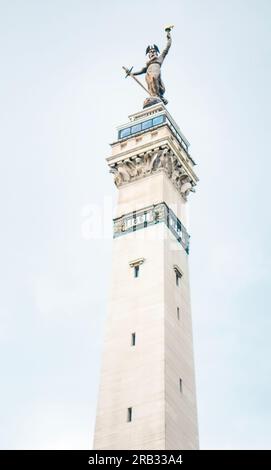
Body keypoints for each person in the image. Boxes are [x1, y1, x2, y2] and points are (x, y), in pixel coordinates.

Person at [132, 30, 172, 105]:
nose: (152, 53)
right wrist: (131, 73)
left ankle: (157, 96)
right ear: (149, 55)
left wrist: (169, 39)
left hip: (155, 73)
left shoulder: (159, 58)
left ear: (157, 53)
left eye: (154, 51)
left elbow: (166, 49)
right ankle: (154, 96)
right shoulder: (147, 65)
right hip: (148, 75)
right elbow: (140, 71)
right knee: (151, 82)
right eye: (150, 52)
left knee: (154, 78)